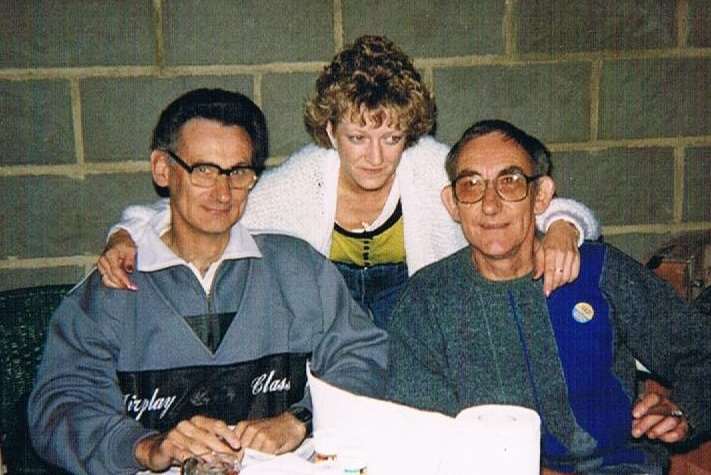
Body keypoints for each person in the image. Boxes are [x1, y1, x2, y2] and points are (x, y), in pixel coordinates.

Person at [97, 35, 600, 329]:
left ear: (410, 132)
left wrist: (563, 230)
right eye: (358, 137)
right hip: (331, 346)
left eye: (392, 137)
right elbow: (214, 204)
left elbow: (530, 198)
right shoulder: (305, 179)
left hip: (423, 338)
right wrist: (128, 233)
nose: (375, 157)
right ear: (331, 130)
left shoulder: (428, 166)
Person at [28, 88, 388, 475]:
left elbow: (366, 358)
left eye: (238, 172)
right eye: (203, 170)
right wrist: (146, 446)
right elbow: (60, 406)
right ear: (162, 170)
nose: (222, 191)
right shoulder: (111, 290)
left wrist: (302, 419)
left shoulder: (298, 270)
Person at [385, 120, 711, 474]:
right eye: (471, 185)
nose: (490, 205)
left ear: (541, 196)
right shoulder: (427, 300)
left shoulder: (597, 271)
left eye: (510, 182)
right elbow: (424, 431)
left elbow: (701, 351)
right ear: (452, 203)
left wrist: (685, 410)